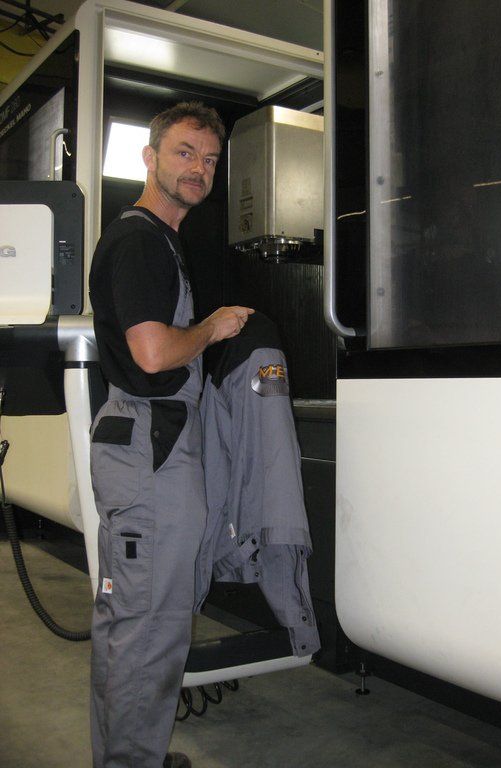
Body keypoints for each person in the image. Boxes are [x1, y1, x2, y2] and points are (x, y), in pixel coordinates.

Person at [89, 101, 253, 768]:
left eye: (209, 159)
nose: (199, 168)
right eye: (185, 152)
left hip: (149, 444)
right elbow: (154, 353)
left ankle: (132, 756)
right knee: (148, 626)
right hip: (148, 450)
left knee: (141, 621)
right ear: (150, 157)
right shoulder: (139, 241)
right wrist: (211, 327)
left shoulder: (157, 241)